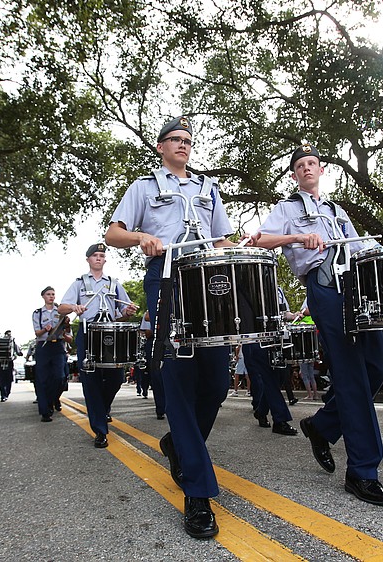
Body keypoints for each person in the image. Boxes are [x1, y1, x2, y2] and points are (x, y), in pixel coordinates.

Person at [105, 115, 236, 538]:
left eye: (188, 140)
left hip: (210, 281)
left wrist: (237, 245)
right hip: (167, 278)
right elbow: (112, 233)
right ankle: (198, 494)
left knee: (216, 384)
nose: (183, 145)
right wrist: (141, 237)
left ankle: (177, 445)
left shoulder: (207, 188)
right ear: (161, 147)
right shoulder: (143, 188)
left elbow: (220, 240)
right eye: (176, 140)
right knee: (179, 381)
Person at [251, 143, 383, 506]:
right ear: (294, 174)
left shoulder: (336, 210)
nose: (307, 168)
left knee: (376, 366)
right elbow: (263, 240)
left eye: (312, 162)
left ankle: (322, 425)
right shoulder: (286, 208)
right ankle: (363, 471)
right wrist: (299, 237)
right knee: (350, 373)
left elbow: (359, 245)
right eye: (300, 165)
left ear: (321, 169)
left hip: (357, 283)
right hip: (324, 283)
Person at [58, 243, 137, 446]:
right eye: (95, 255)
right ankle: (100, 430)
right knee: (91, 381)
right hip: (87, 331)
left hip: (110, 332)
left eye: (102, 255)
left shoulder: (114, 283)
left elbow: (124, 311)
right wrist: (74, 307)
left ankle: (102, 409)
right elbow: (62, 308)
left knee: (117, 376)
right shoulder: (79, 283)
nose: (99, 258)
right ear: (88, 260)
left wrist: (128, 312)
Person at [245, 288, 300, 436]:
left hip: (276, 338)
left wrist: (294, 315)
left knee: (279, 377)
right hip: (256, 338)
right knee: (268, 377)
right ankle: (280, 420)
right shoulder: (251, 288)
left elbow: (285, 314)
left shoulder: (279, 291)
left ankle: (261, 411)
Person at [32, 287, 72, 422]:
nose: (51, 297)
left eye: (53, 294)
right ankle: (45, 411)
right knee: (42, 379)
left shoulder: (61, 313)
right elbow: (37, 333)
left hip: (58, 346)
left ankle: (53, 399)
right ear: (43, 296)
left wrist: (65, 328)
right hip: (43, 347)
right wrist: (45, 329)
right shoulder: (37, 313)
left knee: (60, 377)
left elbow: (69, 336)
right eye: (48, 294)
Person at [0, 330, 21, 402]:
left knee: (2, 380)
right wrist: (19, 353)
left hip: (2, 362)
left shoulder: (5, 341)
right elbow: (18, 352)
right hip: (8, 362)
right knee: (7, 379)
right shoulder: (12, 342)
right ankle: (5, 394)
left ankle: (3, 395)